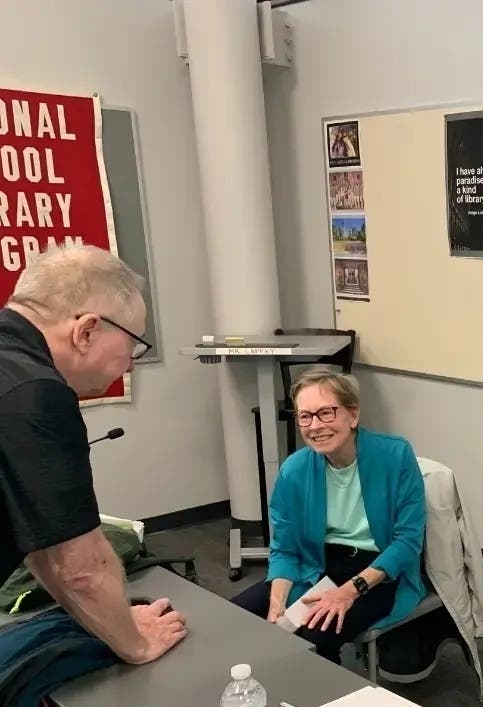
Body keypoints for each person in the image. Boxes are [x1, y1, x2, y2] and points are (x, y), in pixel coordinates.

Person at [0, 245, 187, 664]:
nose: (131, 365)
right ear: (86, 330)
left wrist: (111, 621)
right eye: (133, 345)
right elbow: (81, 570)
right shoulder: (35, 394)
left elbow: (42, 540)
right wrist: (136, 642)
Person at [230, 369, 425, 662]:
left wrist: (349, 591)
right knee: (237, 619)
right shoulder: (294, 470)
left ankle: (316, 704)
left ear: (353, 415)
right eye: (305, 416)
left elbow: (408, 542)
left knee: (312, 642)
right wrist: (277, 604)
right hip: (318, 563)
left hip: (378, 572)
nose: (315, 426)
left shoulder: (395, 456)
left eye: (326, 413)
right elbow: (284, 548)